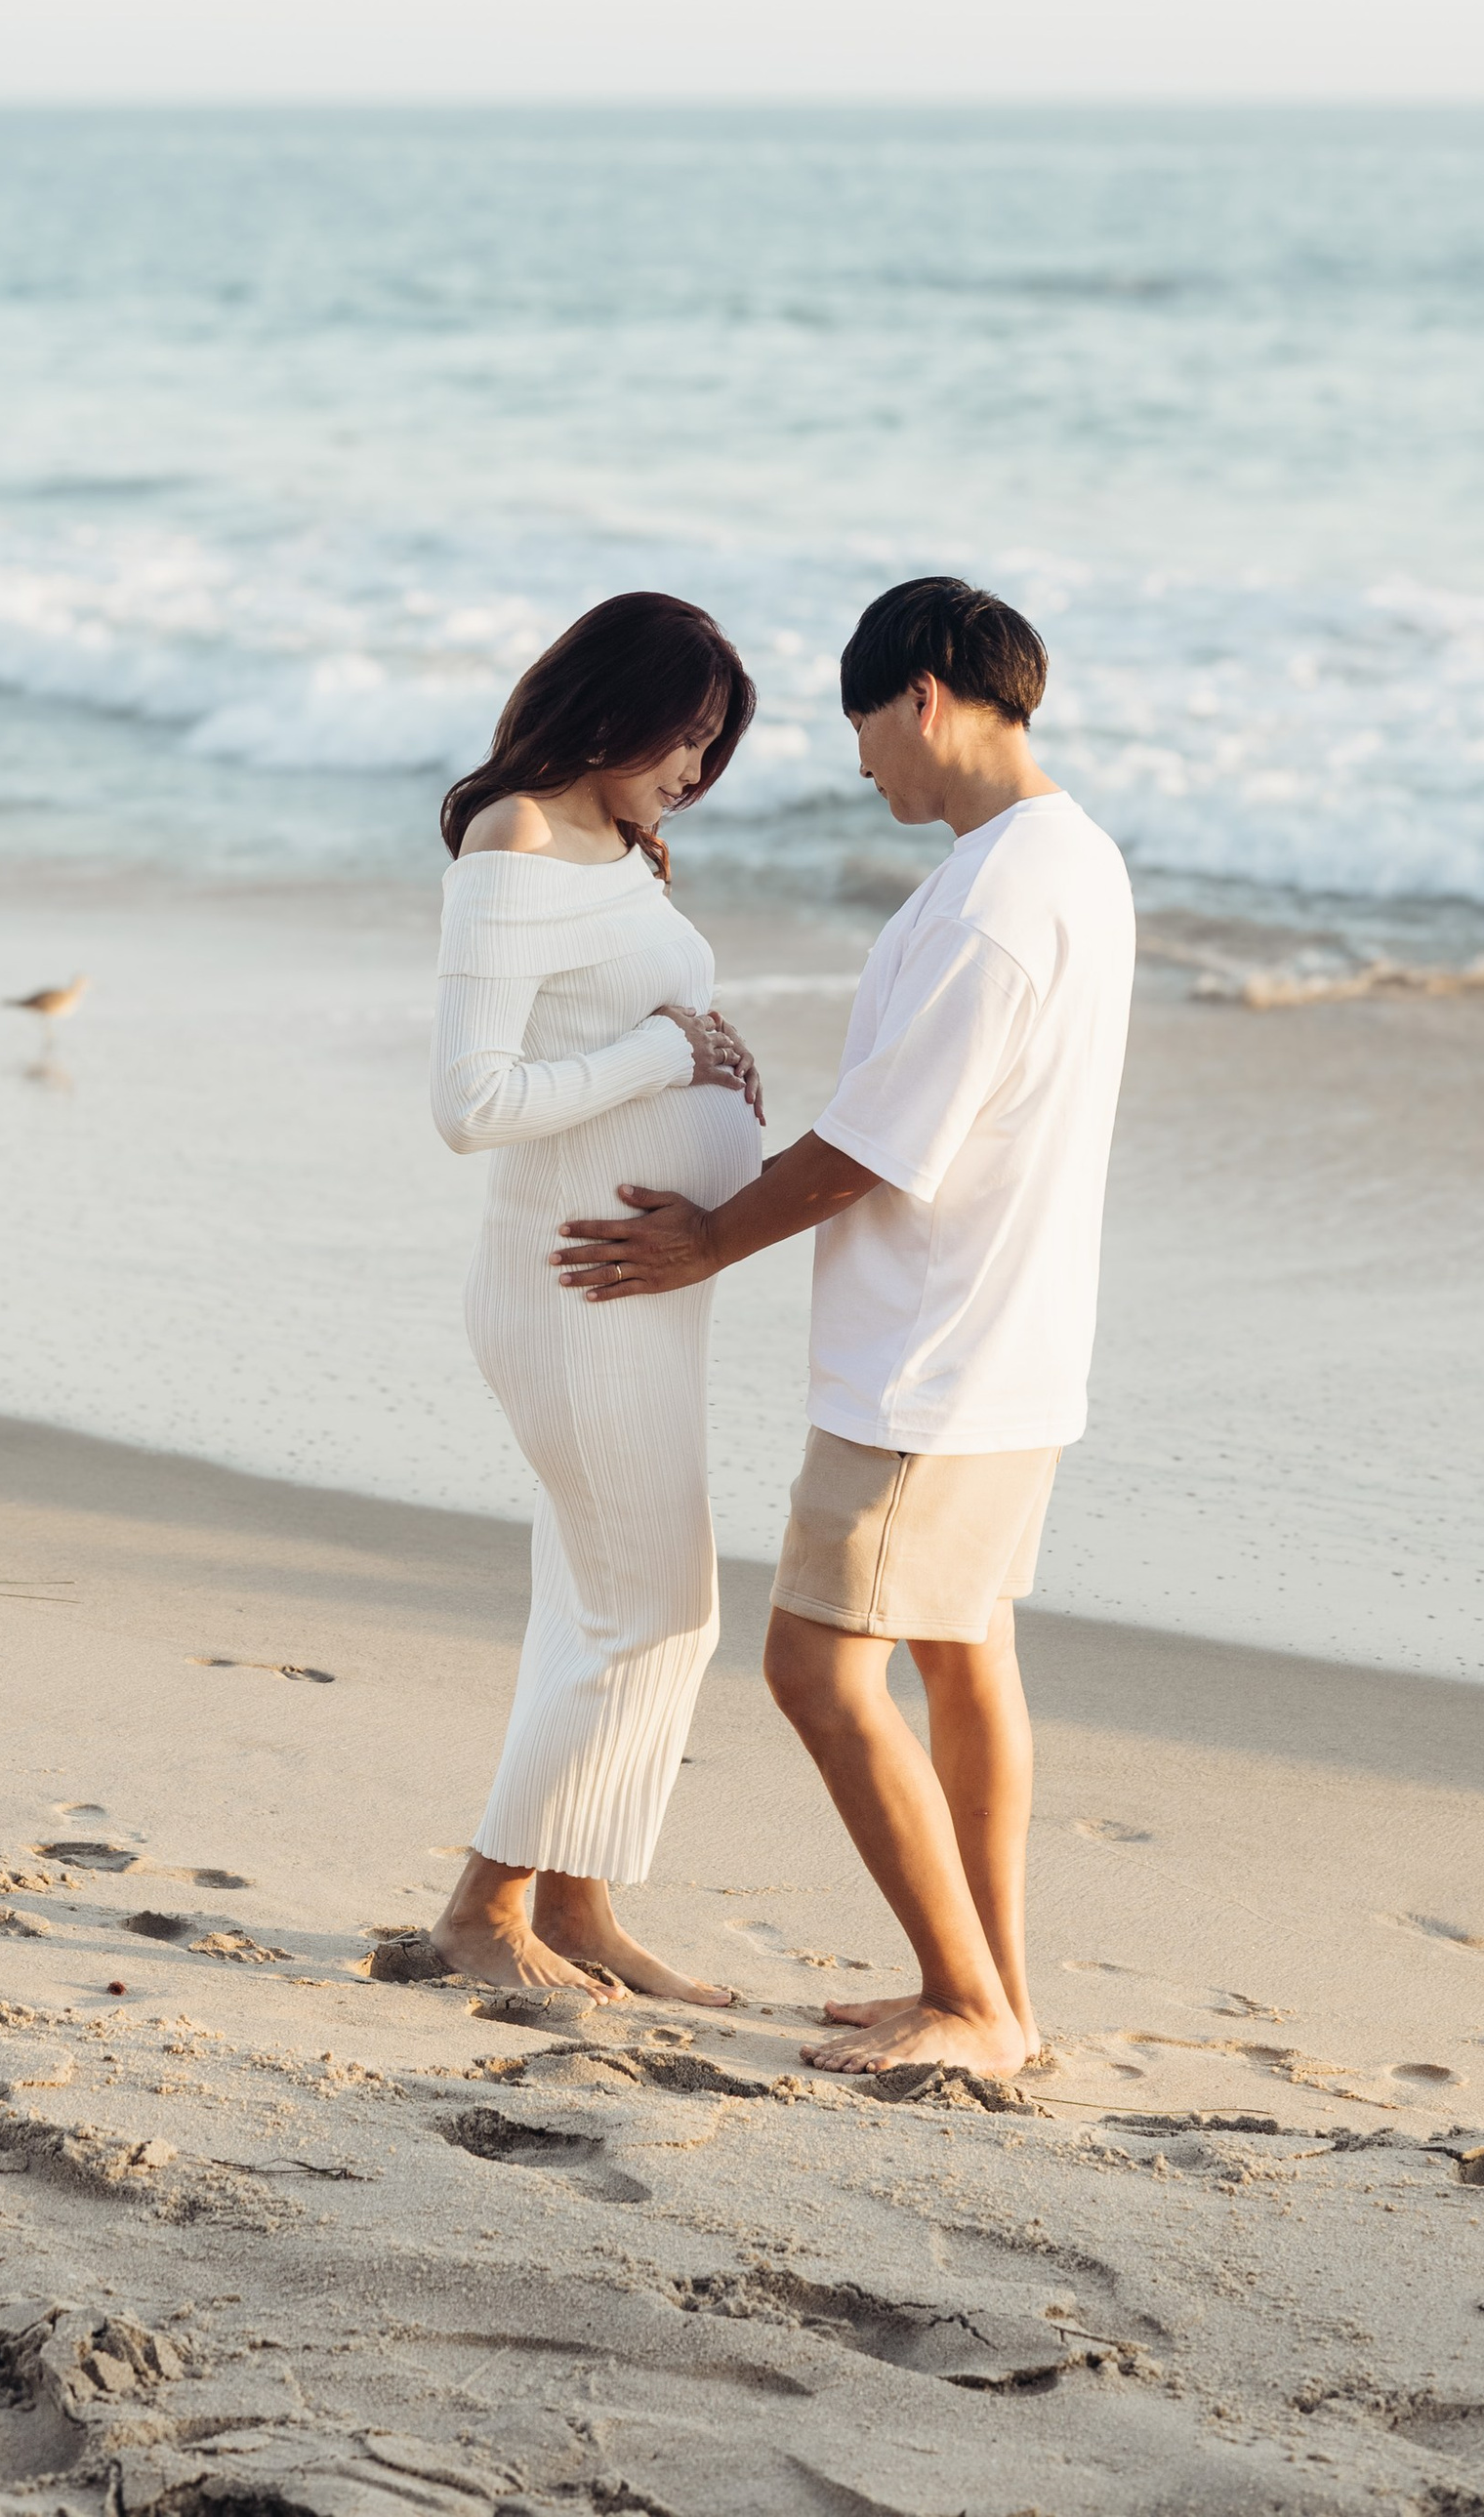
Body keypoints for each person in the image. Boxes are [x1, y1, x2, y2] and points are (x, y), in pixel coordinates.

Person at [557, 575, 1134, 2077]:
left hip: (928, 1364)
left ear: (925, 696)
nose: (863, 759)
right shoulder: (1069, 858)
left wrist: (706, 1243)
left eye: (865, 727)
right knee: (962, 1657)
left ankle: (969, 2004)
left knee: (817, 1668)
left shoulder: (998, 904)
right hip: (1012, 1342)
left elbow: (880, 1137)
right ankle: (996, 1996)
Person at [427, 590, 770, 2004]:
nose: (693, 770)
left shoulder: (621, 845)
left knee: (594, 1601)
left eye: (713, 746)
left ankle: (577, 1905)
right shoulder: (512, 839)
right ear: (608, 706)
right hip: (570, 1286)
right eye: (681, 735)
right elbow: (472, 1103)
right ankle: (478, 1908)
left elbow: (647, 1029)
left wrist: (706, 1059)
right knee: (660, 1608)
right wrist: (668, 1056)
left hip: (639, 1293)